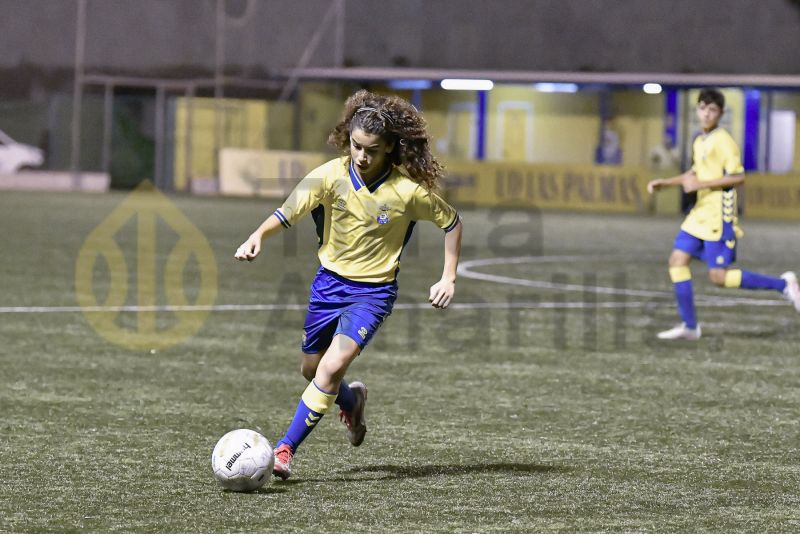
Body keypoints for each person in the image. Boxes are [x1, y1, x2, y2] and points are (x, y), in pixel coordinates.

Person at [234, 90, 463, 479]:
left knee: (330, 367)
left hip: (372, 294)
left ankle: (284, 450)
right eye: (356, 146)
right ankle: (352, 400)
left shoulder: (407, 192)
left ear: (390, 147)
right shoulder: (329, 176)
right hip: (327, 286)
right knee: (311, 369)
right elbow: (286, 212)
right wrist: (258, 235)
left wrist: (448, 276)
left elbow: (452, 223)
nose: (361, 156)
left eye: (371, 150)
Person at [647, 88, 800, 340]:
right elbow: (695, 173)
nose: (706, 114)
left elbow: (738, 176)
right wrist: (666, 182)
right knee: (677, 261)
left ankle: (784, 285)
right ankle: (689, 326)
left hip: (719, 215)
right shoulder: (700, 140)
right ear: (697, 110)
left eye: (712, 110)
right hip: (700, 214)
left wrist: (700, 186)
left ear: (721, 113)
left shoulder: (724, 141)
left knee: (718, 277)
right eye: (703, 108)